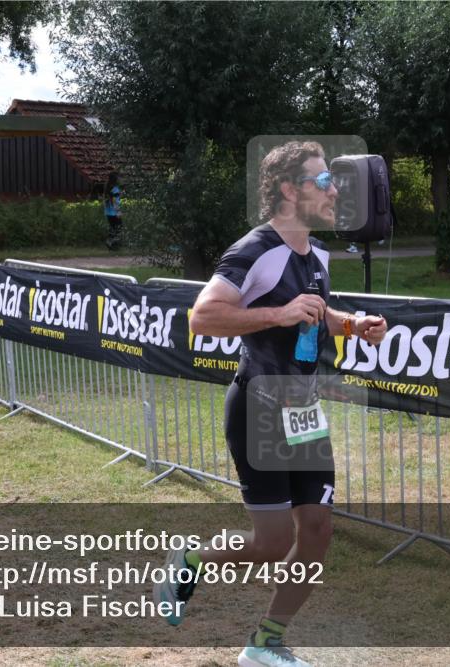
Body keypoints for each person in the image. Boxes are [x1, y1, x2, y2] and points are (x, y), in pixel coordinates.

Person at [155, 141, 388, 667]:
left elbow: (317, 311)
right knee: (269, 542)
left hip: (301, 408)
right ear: (289, 191)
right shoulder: (254, 250)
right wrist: (278, 315)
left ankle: (266, 644)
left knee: (319, 531)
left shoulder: (317, 254)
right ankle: (189, 562)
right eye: (323, 182)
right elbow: (203, 317)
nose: (334, 192)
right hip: (259, 404)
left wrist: (353, 325)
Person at [104, 172, 123, 249]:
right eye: (119, 178)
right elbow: (115, 201)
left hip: (108, 212)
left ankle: (109, 242)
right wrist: (118, 211)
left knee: (112, 227)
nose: (120, 179)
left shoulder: (108, 188)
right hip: (114, 212)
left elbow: (106, 200)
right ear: (116, 179)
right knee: (118, 228)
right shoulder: (115, 189)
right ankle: (114, 244)